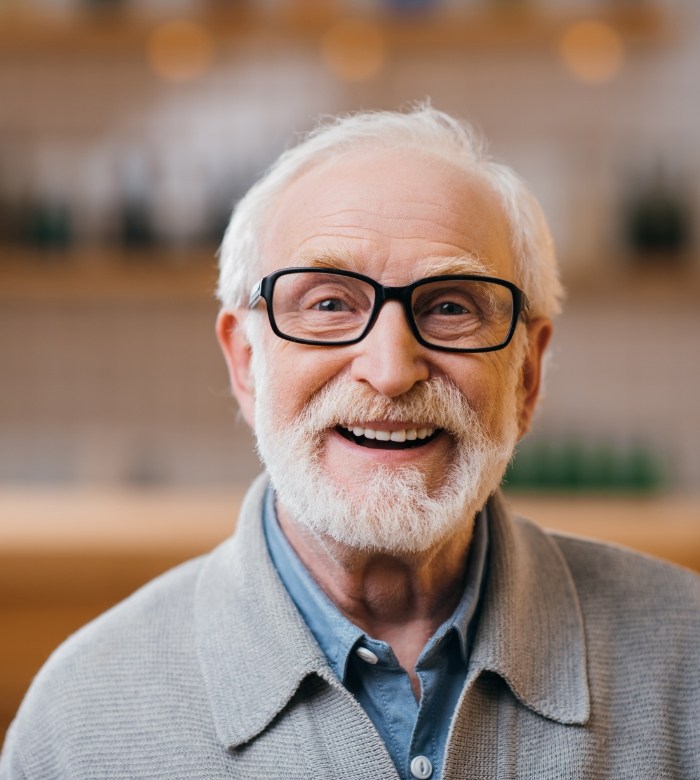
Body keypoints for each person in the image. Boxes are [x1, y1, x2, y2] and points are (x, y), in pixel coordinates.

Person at [1, 105, 698, 780]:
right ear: (245, 361)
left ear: (528, 374)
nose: (391, 371)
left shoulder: (687, 667)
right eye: (330, 304)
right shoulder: (80, 722)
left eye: (451, 306)